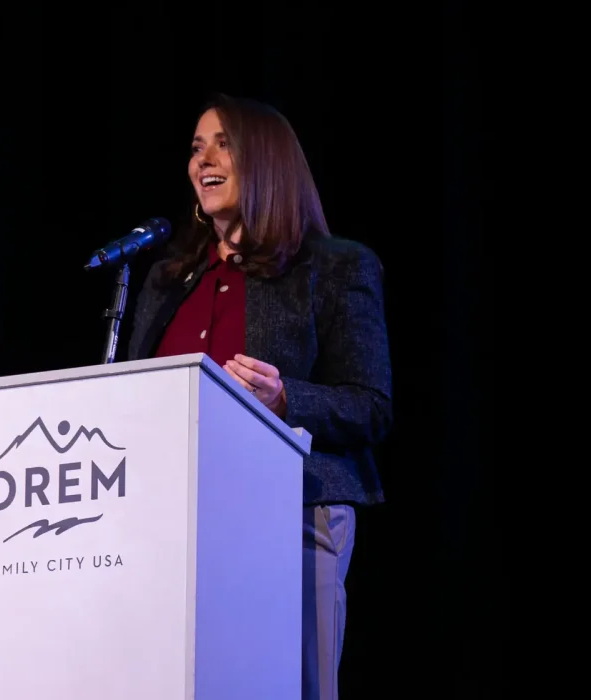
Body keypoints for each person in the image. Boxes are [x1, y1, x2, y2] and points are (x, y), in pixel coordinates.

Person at [126, 94, 392, 699]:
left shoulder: (333, 268)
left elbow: (371, 404)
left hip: (294, 514)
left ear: (266, 159)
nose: (203, 160)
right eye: (196, 148)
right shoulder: (168, 279)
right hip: (168, 525)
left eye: (223, 145)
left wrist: (285, 399)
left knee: (291, 686)